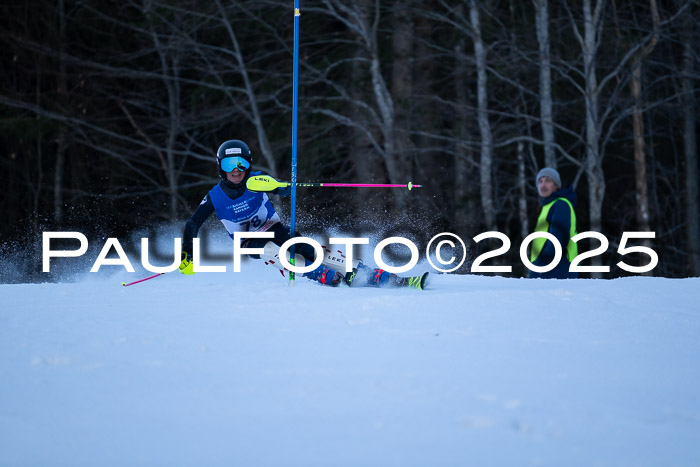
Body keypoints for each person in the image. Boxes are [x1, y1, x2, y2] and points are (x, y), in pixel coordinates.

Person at [178, 139, 427, 289]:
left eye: (241, 164)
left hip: (273, 229)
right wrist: (187, 256)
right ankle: (313, 272)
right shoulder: (215, 196)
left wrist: (288, 187)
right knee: (271, 251)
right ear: (220, 168)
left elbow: (281, 188)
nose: (236, 170)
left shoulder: (256, 180)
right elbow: (192, 224)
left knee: (303, 246)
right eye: (229, 166)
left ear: (249, 164)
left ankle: (359, 271)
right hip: (247, 242)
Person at [529, 167, 578, 279]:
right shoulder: (548, 206)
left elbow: (559, 236)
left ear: (556, 185)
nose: (543, 185)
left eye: (548, 181)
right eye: (540, 181)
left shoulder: (560, 205)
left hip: (557, 266)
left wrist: (544, 262)